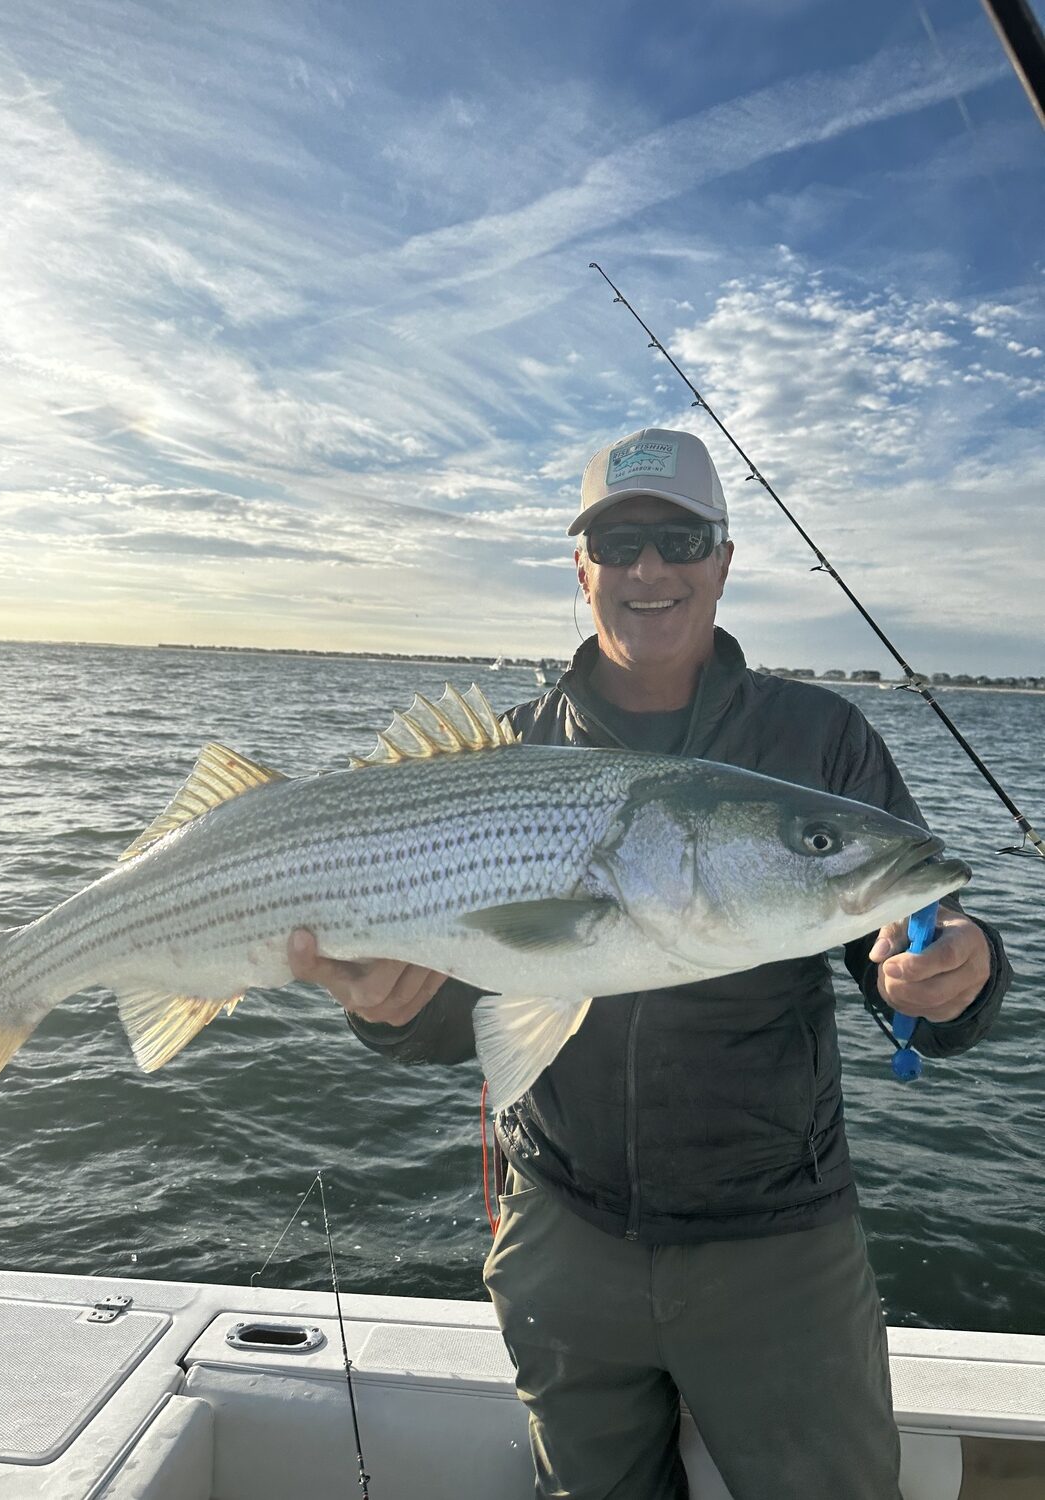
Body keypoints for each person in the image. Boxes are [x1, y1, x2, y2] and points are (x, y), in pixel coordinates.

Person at [287, 427, 1011, 1500]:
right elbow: (464, 1011)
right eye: (617, 544)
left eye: (680, 539)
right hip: (561, 1229)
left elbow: (908, 933)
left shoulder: (822, 738)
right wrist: (388, 1011)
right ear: (580, 568)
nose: (649, 570)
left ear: (723, 558)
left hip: (778, 1237)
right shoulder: (500, 752)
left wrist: (961, 977)